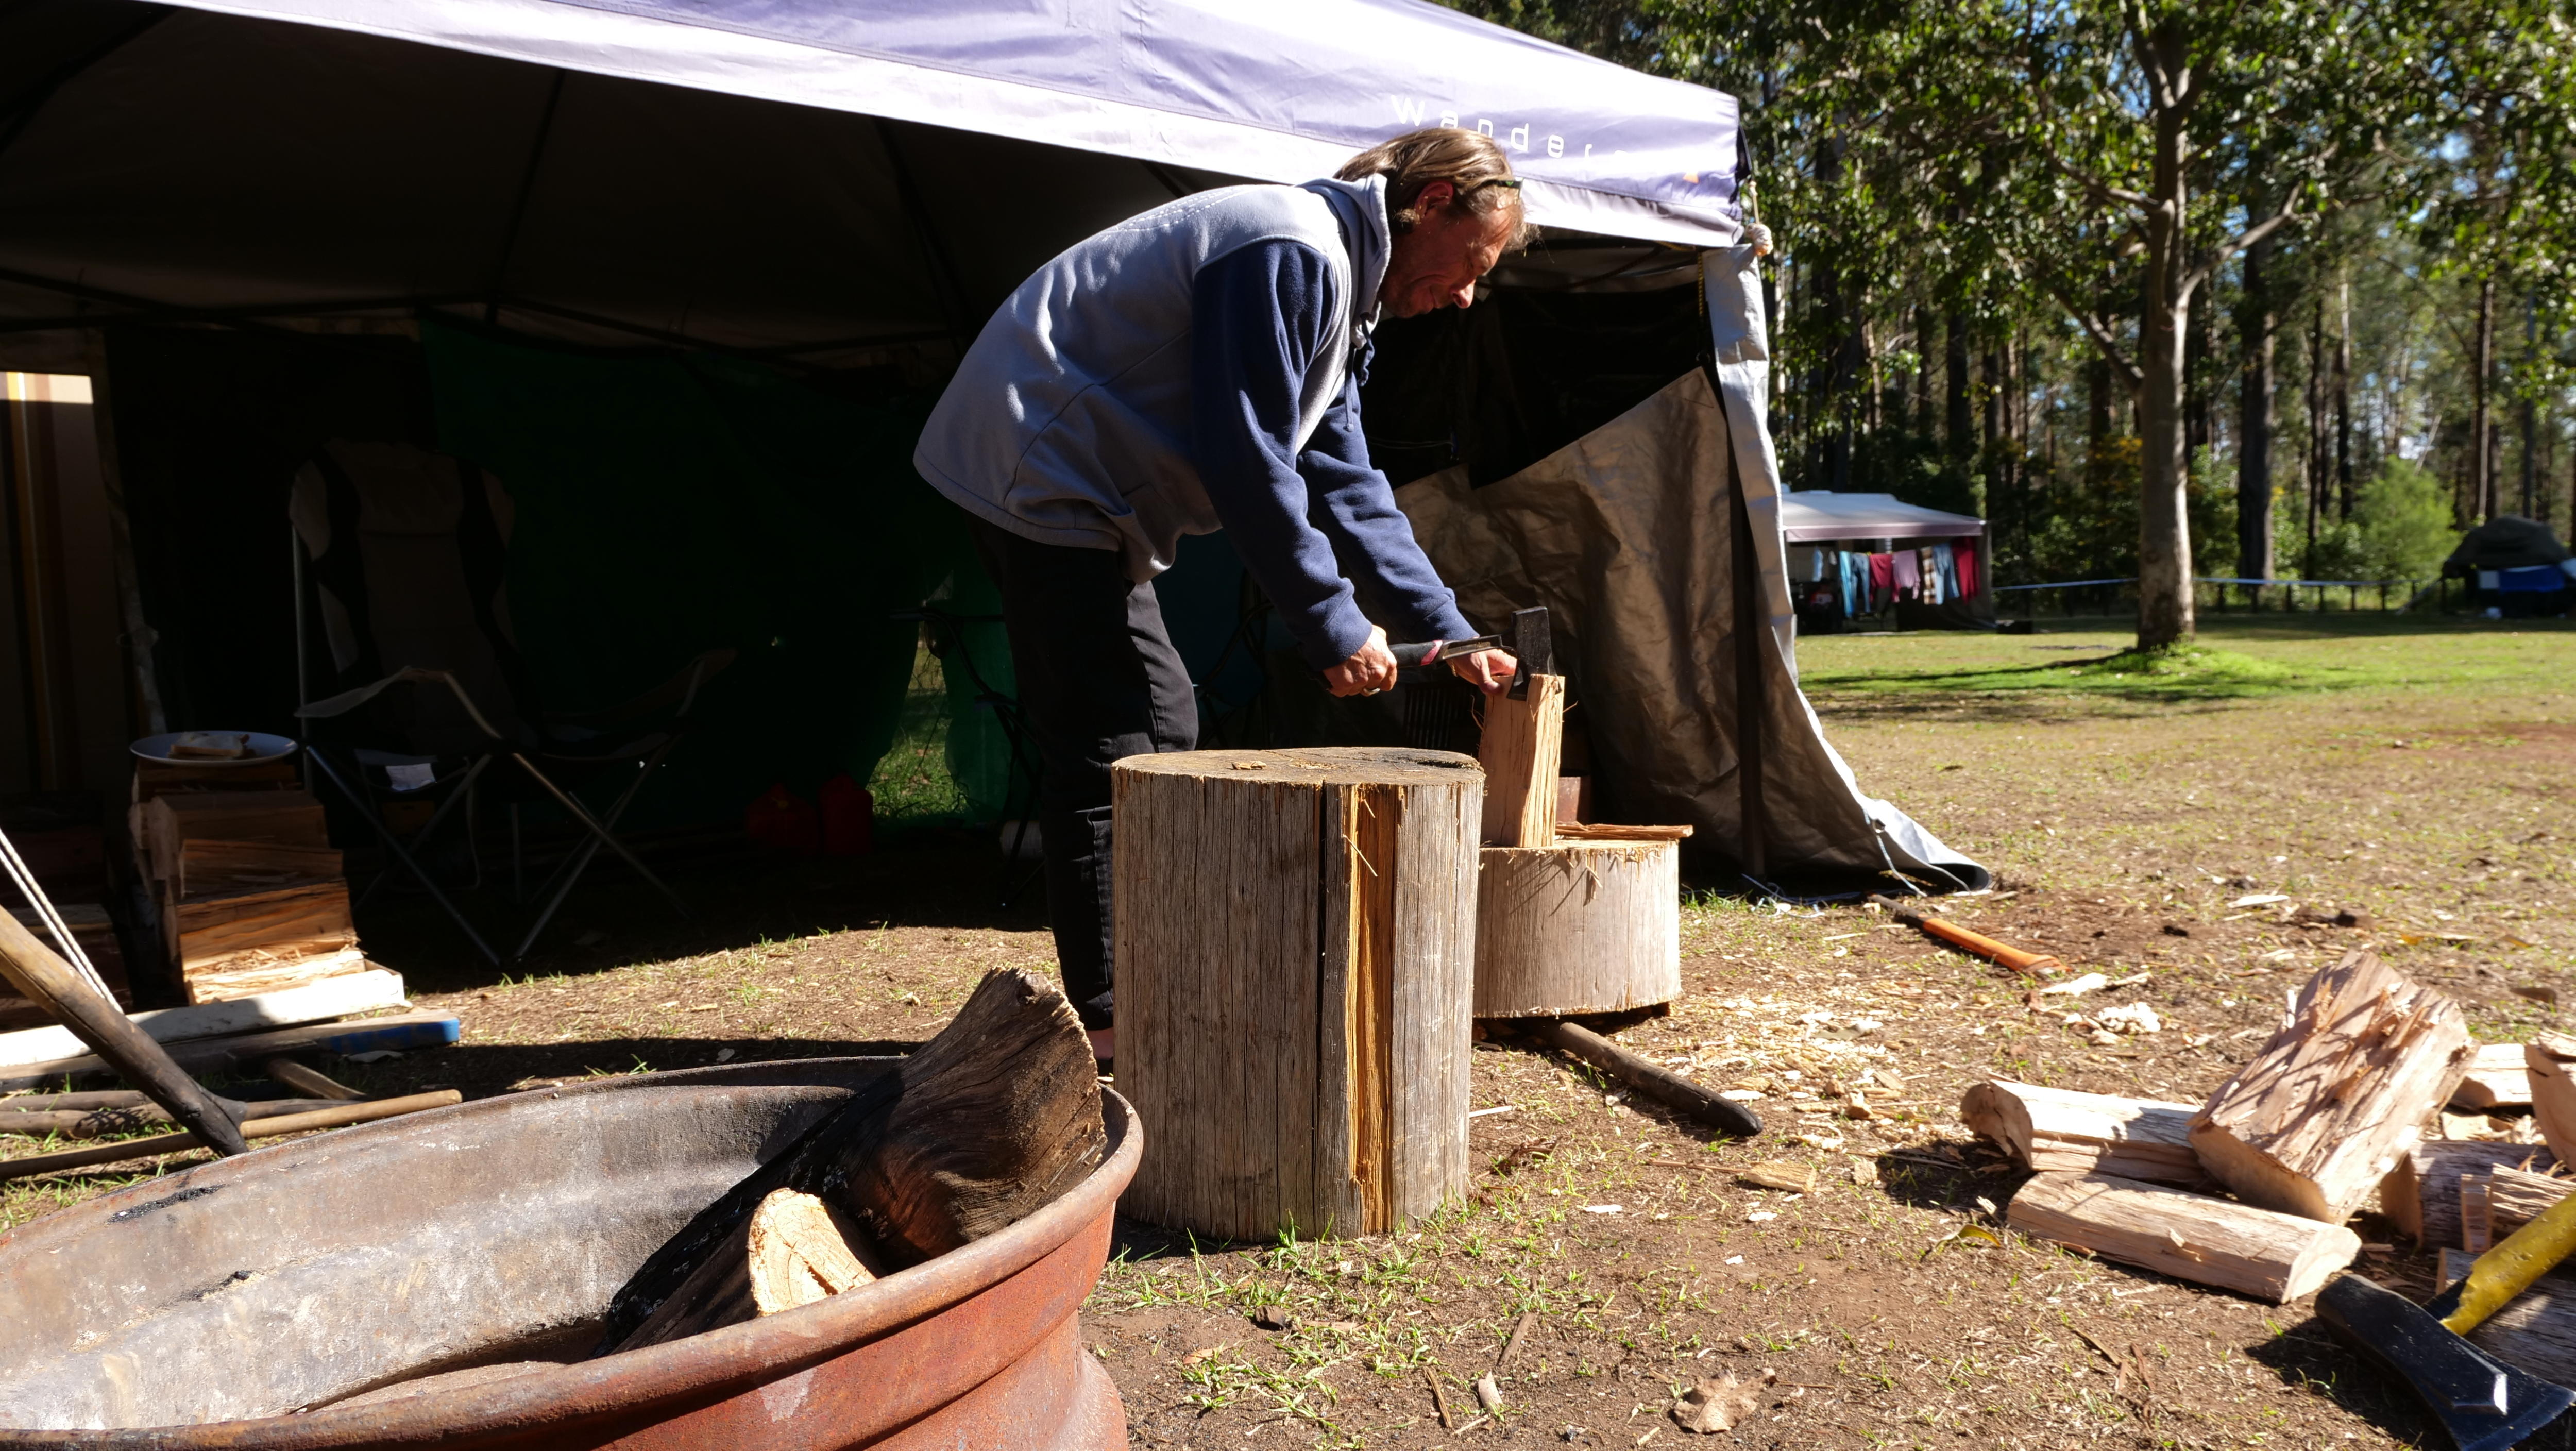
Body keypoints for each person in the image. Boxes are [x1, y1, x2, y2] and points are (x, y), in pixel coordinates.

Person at [913, 127, 1523, 1060]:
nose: (1468, 294)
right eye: (1474, 264)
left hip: (1080, 491)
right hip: (1037, 464)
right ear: (1432, 202)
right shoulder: (1290, 248)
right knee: (1113, 748)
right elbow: (1244, 458)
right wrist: (1332, 625)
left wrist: (1449, 632)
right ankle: (1114, 1028)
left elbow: (1343, 479)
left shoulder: (1337, 287)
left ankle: (1156, 988)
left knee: (1166, 724)